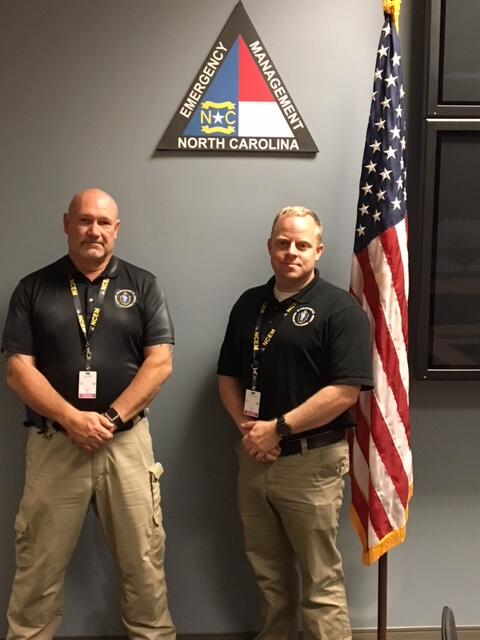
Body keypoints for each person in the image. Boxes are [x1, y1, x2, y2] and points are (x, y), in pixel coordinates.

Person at [2, 188, 176, 640]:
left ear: (116, 229)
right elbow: (19, 370)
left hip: (127, 446)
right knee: (37, 568)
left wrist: (111, 419)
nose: (93, 230)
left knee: (144, 568)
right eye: (84, 221)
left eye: (103, 222)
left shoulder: (143, 285)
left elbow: (160, 364)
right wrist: (71, 418)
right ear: (66, 224)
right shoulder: (33, 288)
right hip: (55, 446)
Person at [217, 206, 373, 640]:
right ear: (269, 247)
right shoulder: (249, 303)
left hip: (311, 463)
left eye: (302, 244)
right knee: (268, 576)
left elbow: (345, 391)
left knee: (320, 581)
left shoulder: (340, 310)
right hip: (253, 457)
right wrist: (247, 430)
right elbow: (227, 374)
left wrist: (278, 429)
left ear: (318, 251)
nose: (291, 252)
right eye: (283, 242)